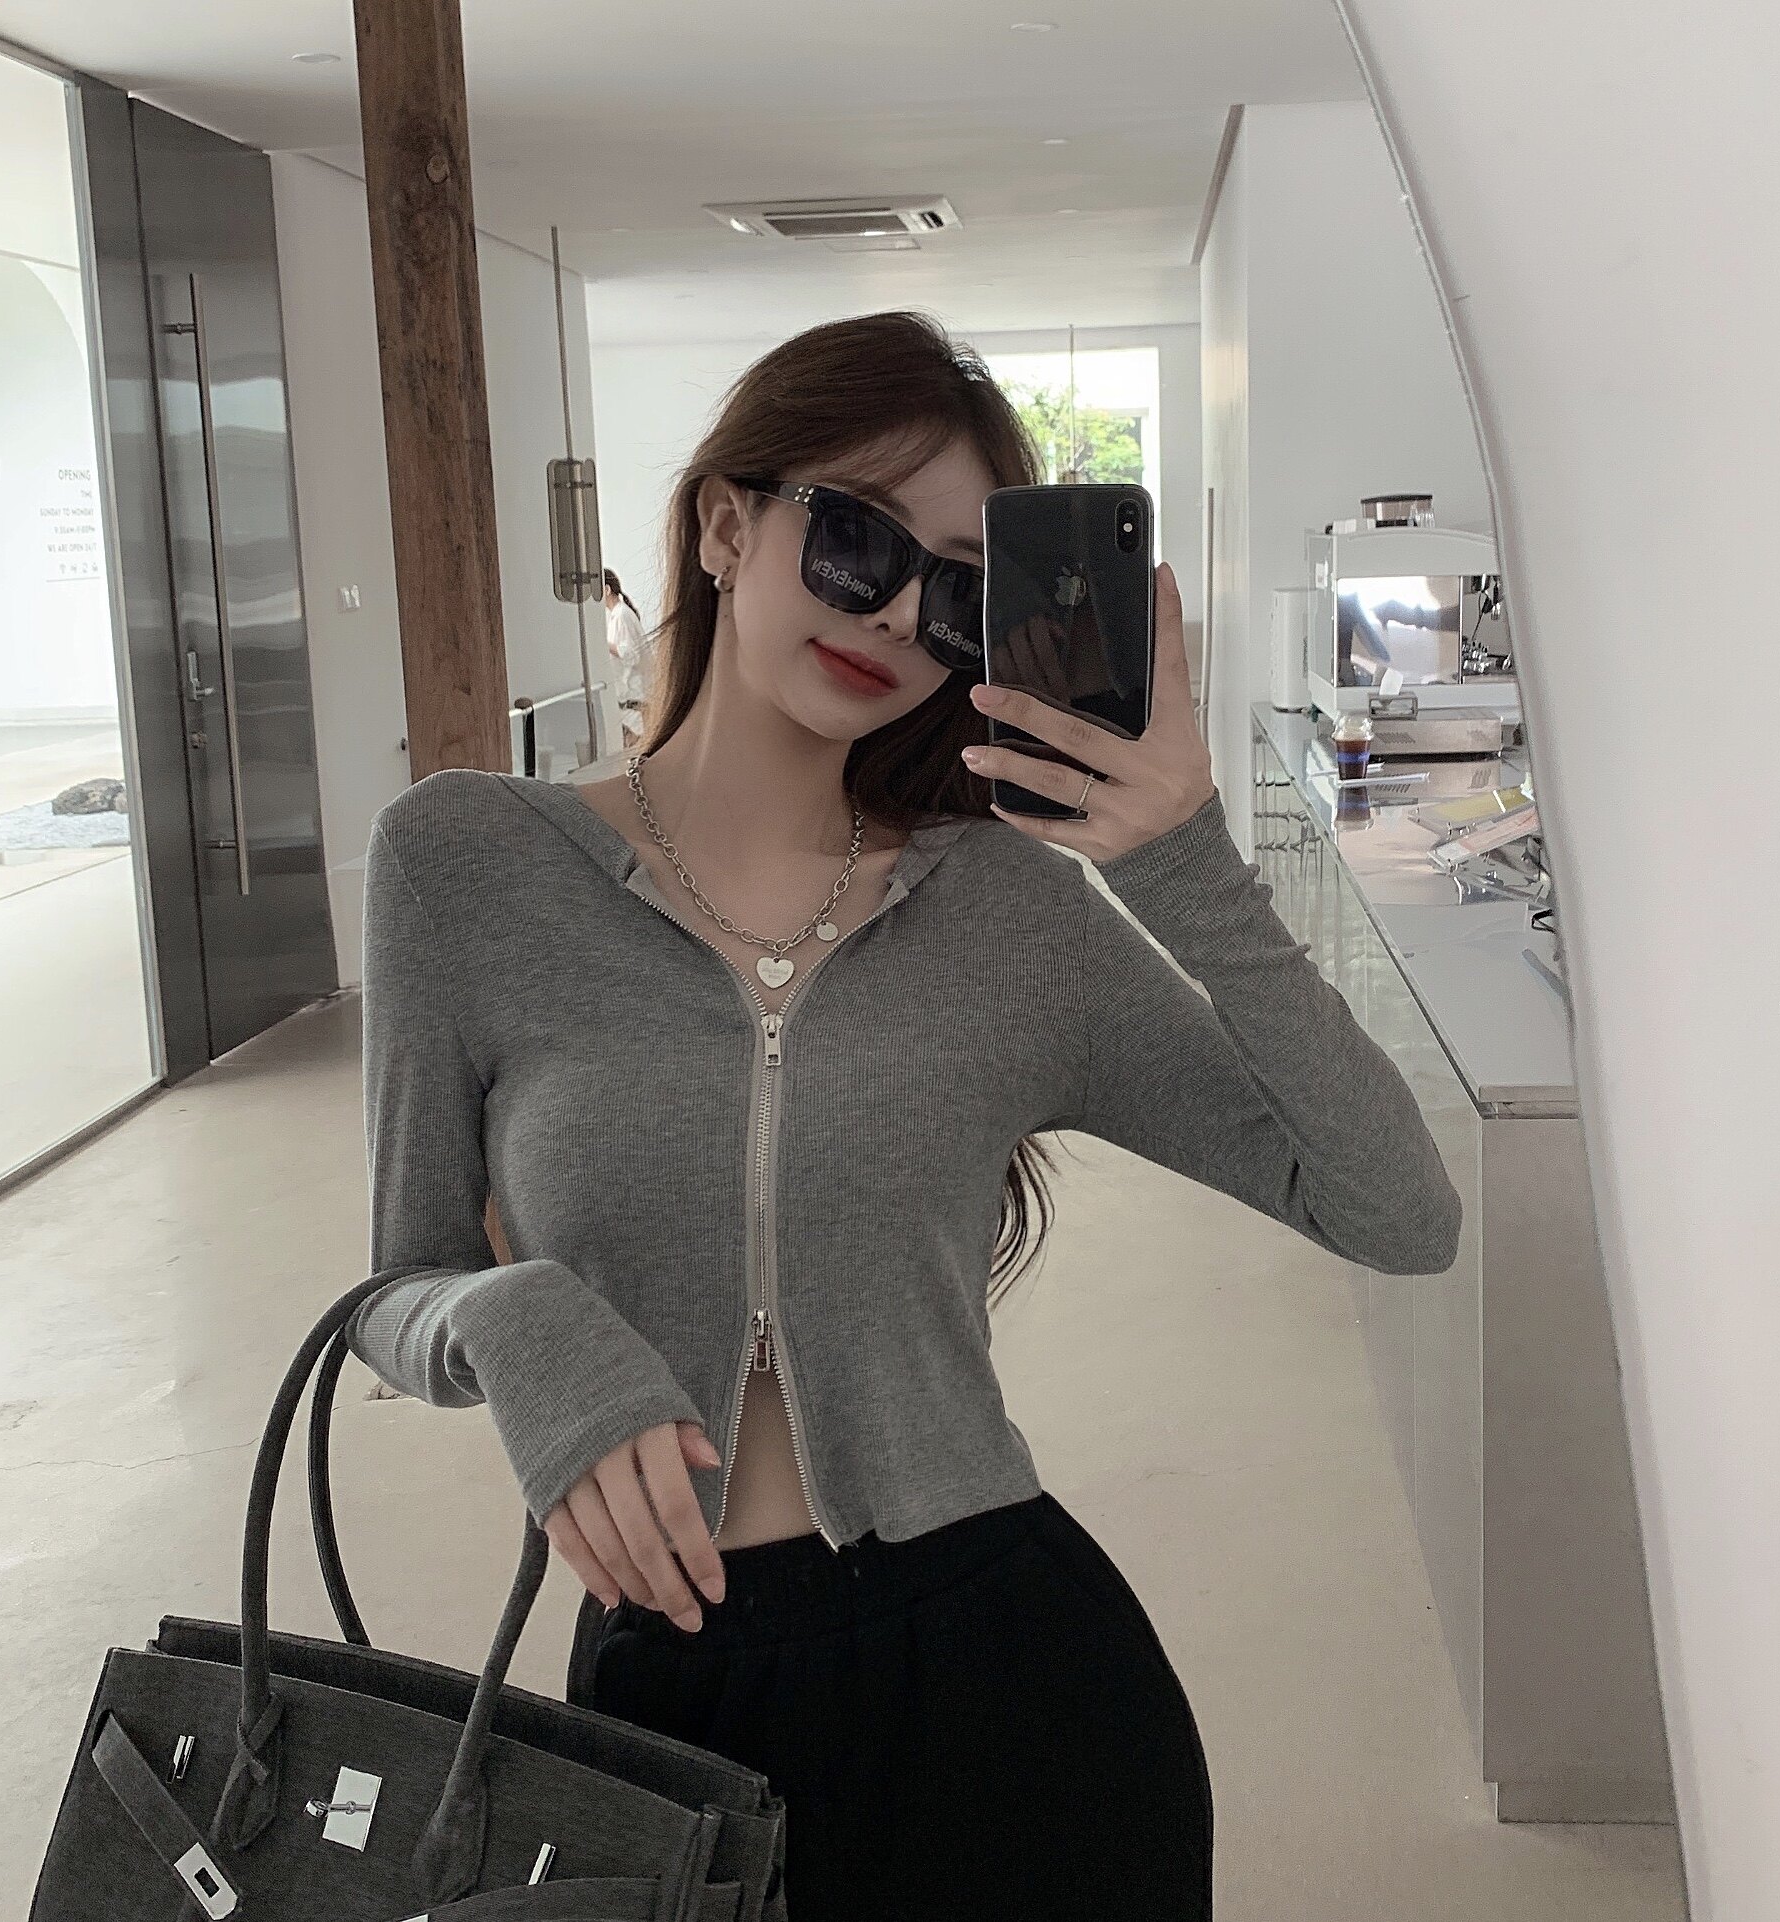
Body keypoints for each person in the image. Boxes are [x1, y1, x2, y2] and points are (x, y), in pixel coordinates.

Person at [351, 311, 1462, 1920]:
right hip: (665, 1703)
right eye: (855, 539)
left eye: (954, 591)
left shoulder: (1003, 914)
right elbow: (396, 1287)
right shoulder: (463, 864)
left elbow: (1397, 1210)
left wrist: (1178, 854)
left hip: (1016, 1696)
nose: (891, 613)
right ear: (724, 524)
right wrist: (511, 1317)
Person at [603, 567, 650, 744]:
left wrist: (603, 645)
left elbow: (631, 654)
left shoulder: (622, 616)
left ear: (607, 589)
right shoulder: (616, 616)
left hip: (634, 698)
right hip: (629, 698)